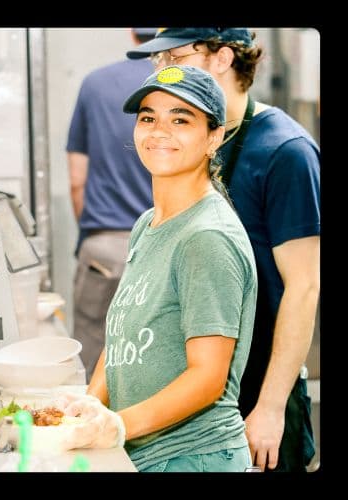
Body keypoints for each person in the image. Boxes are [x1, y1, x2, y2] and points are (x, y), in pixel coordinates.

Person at [128, 28, 320, 472]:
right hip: (189, 397)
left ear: (222, 59)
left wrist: (270, 408)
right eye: (157, 62)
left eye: (175, 56)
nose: (164, 71)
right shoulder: (181, 143)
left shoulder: (286, 152)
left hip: (256, 391)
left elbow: (304, 287)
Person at [53, 65, 258, 472]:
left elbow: (208, 377)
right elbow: (125, 334)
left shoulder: (206, 237)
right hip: (143, 452)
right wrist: (92, 405)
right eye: (148, 118)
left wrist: (116, 425)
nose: (159, 131)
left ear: (214, 137)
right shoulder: (148, 224)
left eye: (180, 119)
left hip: (192, 456)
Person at [67, 28, 156, 380]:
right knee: (151, 363)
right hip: (160, 245)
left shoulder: (94, 84)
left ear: (132, 32)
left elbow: (77, 180)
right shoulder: (179, 86)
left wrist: (95, 236)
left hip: (103, 248)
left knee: (91, 361)